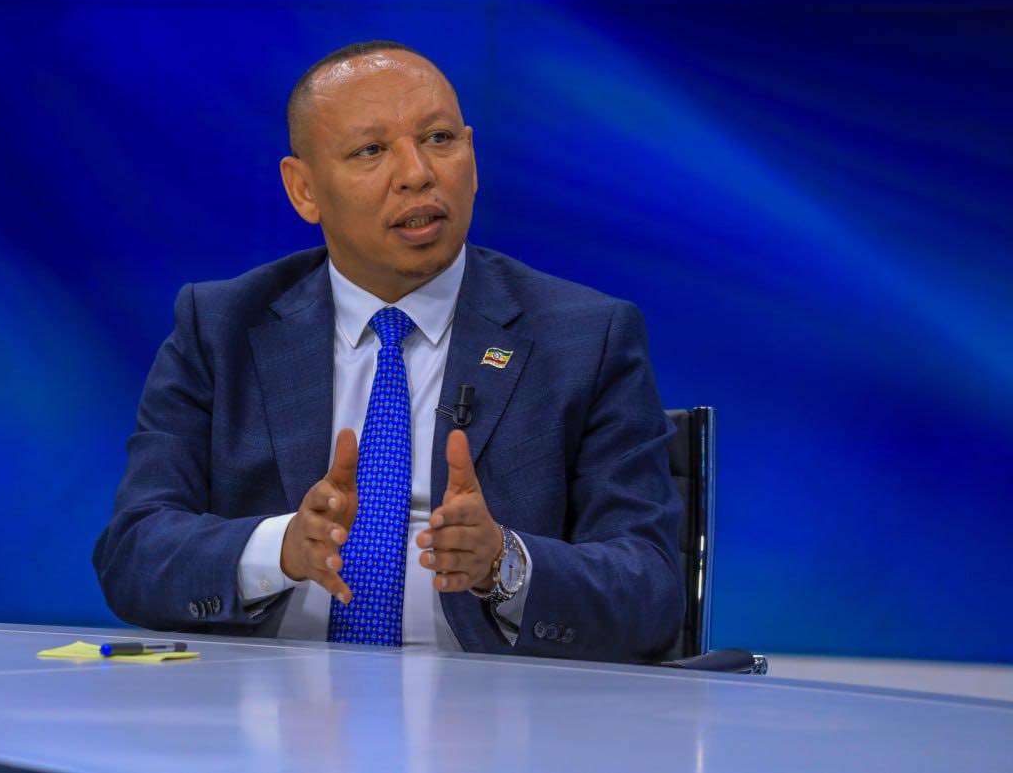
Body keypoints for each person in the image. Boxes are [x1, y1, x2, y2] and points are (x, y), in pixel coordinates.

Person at [93, 41, 684, 661]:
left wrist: (504, 563)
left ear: (472, 159)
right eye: (371, 151)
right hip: (268, 700)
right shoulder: (221, 329)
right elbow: (135, 555)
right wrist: (283, 548)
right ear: (304, 189)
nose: (417, 173)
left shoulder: (585, 338)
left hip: (490, 704)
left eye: (439, 139)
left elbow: (649, 589)